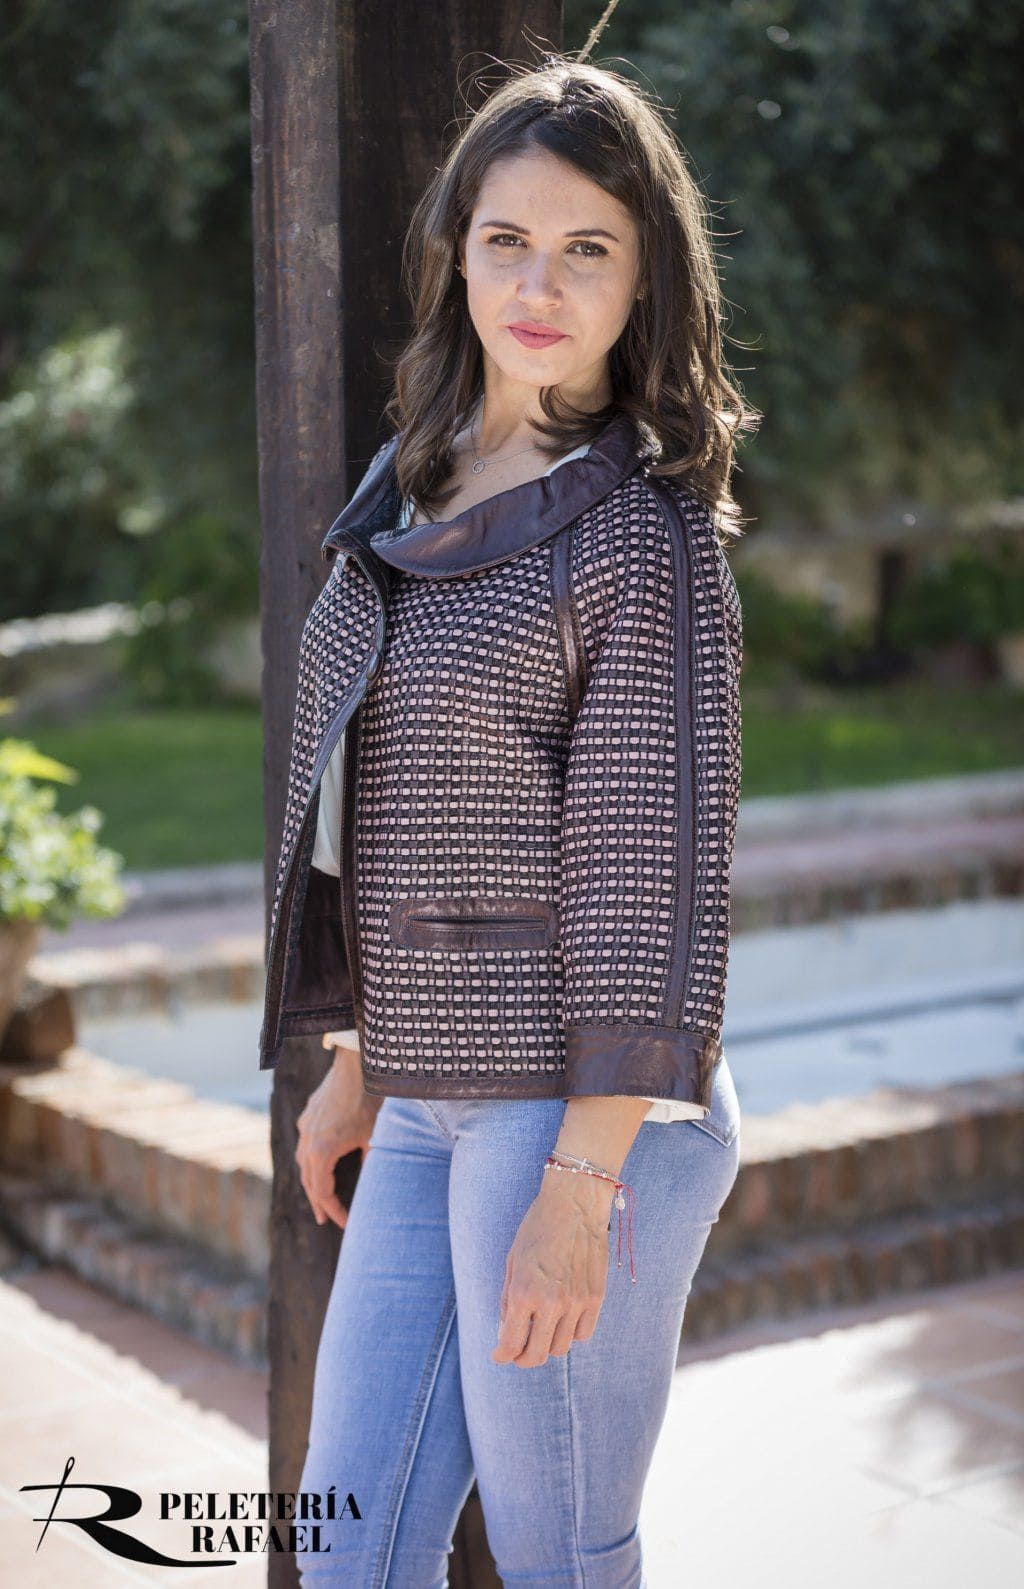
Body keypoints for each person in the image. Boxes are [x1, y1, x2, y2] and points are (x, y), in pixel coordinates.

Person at [264, 50, 760, 1589]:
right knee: (346, 1548)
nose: (538, 284)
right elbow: (385, 786)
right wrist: (356, 1050)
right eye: (507, 241)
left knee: (558, 1552)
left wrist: (583, 1188)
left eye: (587, 249)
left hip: (576, 1117)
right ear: (458, 252)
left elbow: (649, 878)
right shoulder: (410, 477)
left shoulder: (643, 532)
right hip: (423, 1096)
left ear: (642, 284)